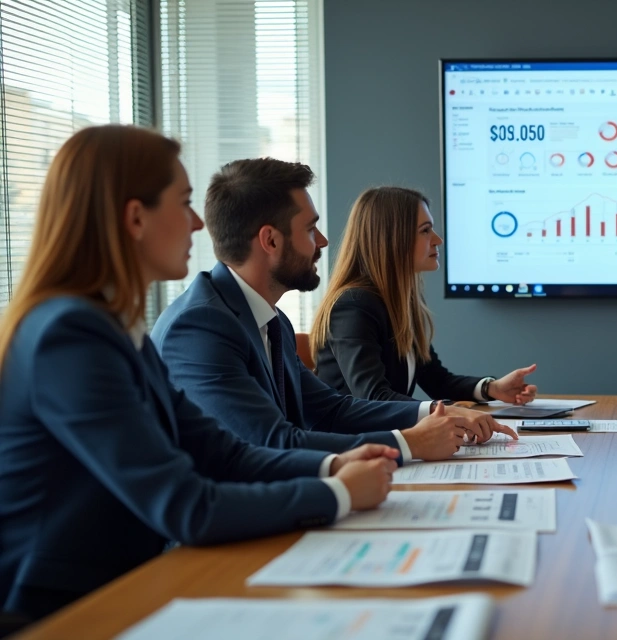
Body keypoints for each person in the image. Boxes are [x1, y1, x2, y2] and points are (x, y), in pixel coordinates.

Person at [0, 126, 397, 620]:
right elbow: (184, 503)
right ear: (135, 217)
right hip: (66, 612)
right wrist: (337, 493)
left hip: (131, 589)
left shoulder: (115, 325)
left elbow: (220, 452)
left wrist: (331, 466)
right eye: (184, 202)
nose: (195, 224)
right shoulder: (69, 336)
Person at [151, 159, 515, 462]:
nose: (323, 241)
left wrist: (435, 413)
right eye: (311, 229)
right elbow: (273, 441)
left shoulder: (271, 319)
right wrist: (410, 443)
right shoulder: (200, 326)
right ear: (271, 240)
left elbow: (332, 409)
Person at [310, 186, 538, 405]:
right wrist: (445, 415)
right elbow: (374, 397)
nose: (438, 240)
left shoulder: (399, 302)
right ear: (392, 238)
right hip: (352, 443)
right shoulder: (354, 306)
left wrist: (491, 388)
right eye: (425, 230)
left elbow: (437, 381)